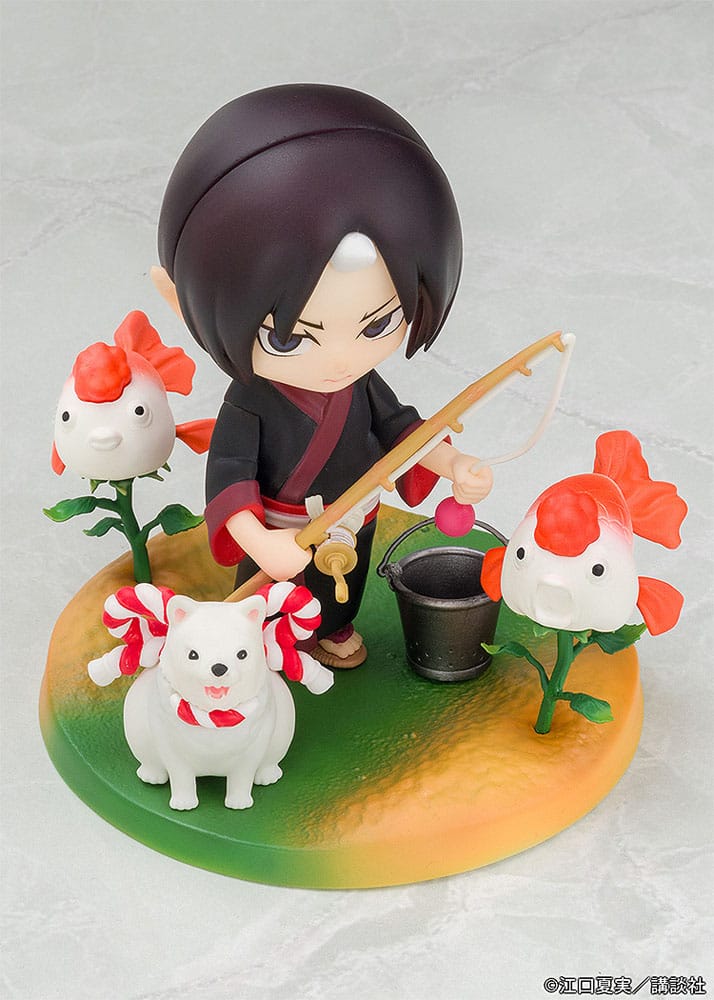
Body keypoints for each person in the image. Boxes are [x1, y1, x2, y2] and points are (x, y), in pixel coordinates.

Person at [152, 84, 492, 668]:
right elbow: (230, 477)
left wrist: (454, 463)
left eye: (377, 323)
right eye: (288, 337)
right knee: (275, 600)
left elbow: (400, 432)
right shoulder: (250, 402)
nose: (339, 360)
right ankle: (272, 646)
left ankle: (333, 630)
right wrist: (260, 542)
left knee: (341, 592)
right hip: (280, 530)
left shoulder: (360, 385)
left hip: (350, 516)